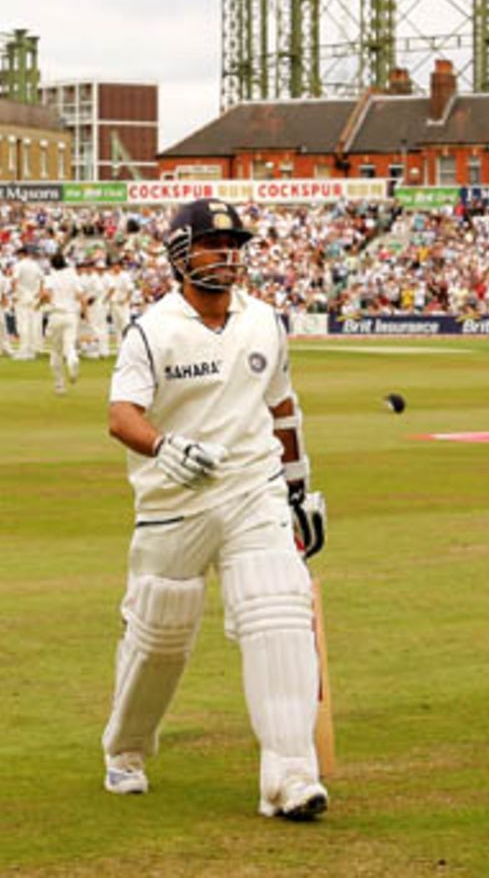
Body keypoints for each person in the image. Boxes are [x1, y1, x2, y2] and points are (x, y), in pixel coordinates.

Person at [101, 197, 329, 820]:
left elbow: (282, 408)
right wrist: (164, 446)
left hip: (252, 489)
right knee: (161, 633)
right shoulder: (154, 328)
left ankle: (290, 776)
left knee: (277, 608)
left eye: (234, 247)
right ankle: (125, 749)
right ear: (181, 254)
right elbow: (122, 416)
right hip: (174, 502)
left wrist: (298, 486)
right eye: (212, 245)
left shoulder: (264, 321)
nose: (228, 257)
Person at [42, 252, 86, 394]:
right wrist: (85, 313)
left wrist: (45, 302)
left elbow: (45, 295)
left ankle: (59, 386)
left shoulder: (50, 276)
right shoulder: (72, 275)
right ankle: (72, 359)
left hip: (56, 314)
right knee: (69, 346)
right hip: (71, 315)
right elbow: (81, 296)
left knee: (55, 351)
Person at [13, 243, 43, 359]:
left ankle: (24, 351)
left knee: (23, 324)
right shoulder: (35, 265)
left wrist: (16, 294)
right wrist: (39, 294)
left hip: (23, 296)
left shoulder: (19, 265)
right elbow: (42, 280)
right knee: (33, 324)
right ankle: (32, 350)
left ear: (22, 254)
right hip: (34, 296)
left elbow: (15, 281)